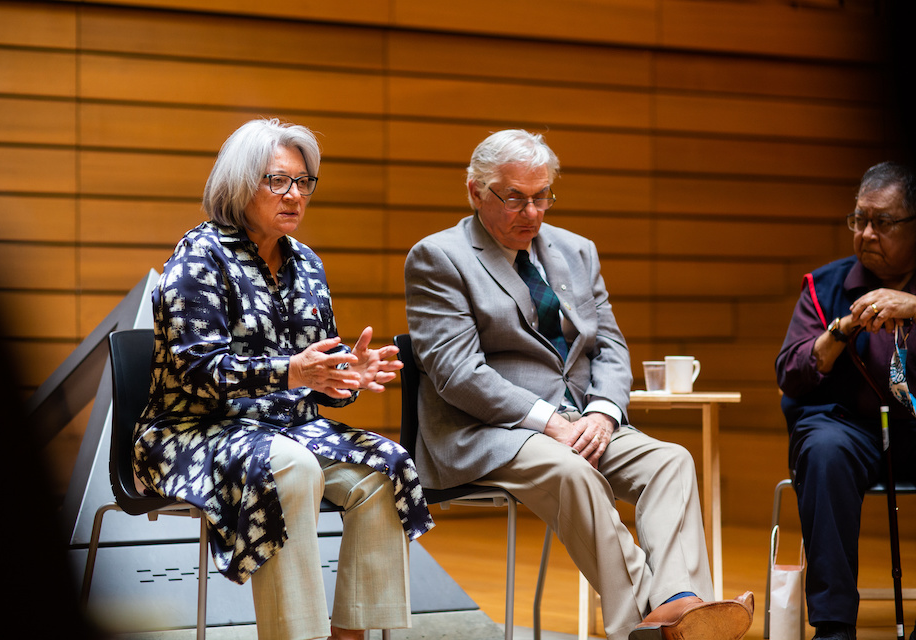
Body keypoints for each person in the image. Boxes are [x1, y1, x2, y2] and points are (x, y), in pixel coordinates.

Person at [404, 129, 754, 640]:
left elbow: (610, 346)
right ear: (475, 191)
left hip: (582, 420)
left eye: (541, 196)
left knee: (671, 461)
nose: (532, 212)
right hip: (488, 430)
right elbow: (457, 372)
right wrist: (549, 422)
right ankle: (655, 624)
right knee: (574, 472)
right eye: (515, 198)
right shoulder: (439, 257)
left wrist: (604, 412)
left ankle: (676, 600)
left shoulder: (576, 251)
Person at [133, 118, 434, 640]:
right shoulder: (199, 256)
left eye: (303, 182)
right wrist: (292, 370)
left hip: (287, 429)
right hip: (192, 431)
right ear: (239, 184)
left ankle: (354, 635)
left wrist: (345, 376)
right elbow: (200, 372)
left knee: (387, 467)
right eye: (278, 181)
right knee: (291, 467)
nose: (294, 195)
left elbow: (317, 374)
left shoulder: (307, 264)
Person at [776, 161, 916, 640]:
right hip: (850, 428)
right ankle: (834, 627)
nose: (867, 233)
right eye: (860, 220)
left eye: (884, 222)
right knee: (823, 450)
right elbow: (791, 375)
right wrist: (841, 329)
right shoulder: (825, 286)